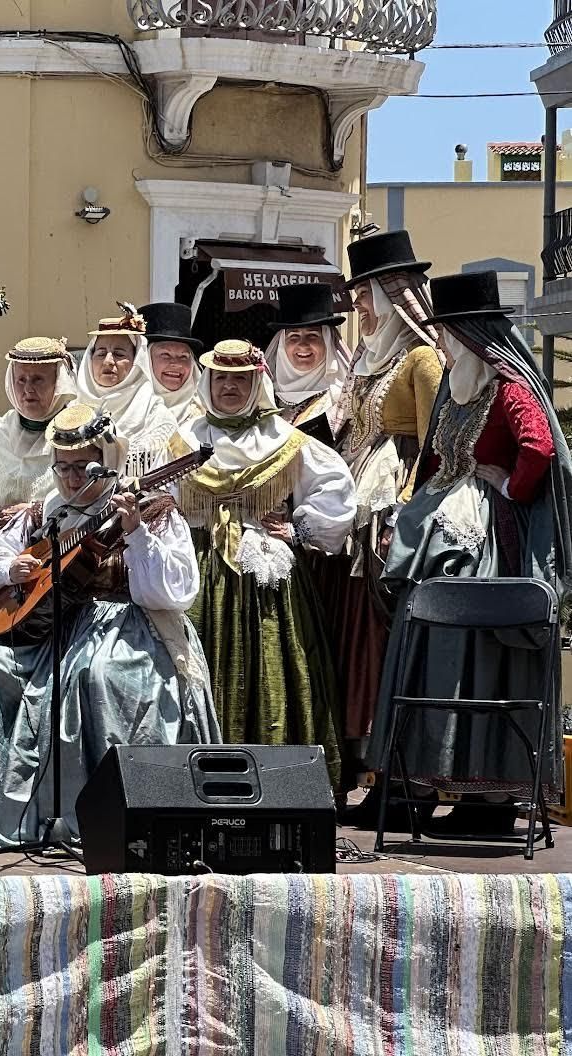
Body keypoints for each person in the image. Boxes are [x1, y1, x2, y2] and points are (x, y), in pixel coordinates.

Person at [0, 403, 218, 850]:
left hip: (128, 625)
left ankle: (105, 817)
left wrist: (134, 534)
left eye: (83, 468)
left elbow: (174, 591)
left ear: (108, 464)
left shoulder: (153, 511)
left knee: (97, 674)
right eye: (63, 468)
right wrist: (13, 569)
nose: (72, 480)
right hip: (51, 632)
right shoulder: (46, 512)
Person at [366, 272, 572, 834]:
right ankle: (433, 781)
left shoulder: (510, 386)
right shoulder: (462, 384)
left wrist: (509, 488)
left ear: (473, 333)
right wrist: (411, 513)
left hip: (489, 543)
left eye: (451, 334)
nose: (444, 344)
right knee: (432, 655)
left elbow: (540, 447)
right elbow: (434, 459)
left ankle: (490, 799)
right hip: (439, 535)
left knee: (481, 655)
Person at [177, 340, 356, 781]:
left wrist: (299, 531)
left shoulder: (285, 440)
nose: (230, 387)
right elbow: (160, 497)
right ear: (208, 382)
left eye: (240, 378)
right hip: (200, 566)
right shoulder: (183, 438)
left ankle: (281, 776)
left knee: (273, 659)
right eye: (221, 378)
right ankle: (197, 774)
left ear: (257, 382)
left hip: (264, 569)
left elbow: (335, 491)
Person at [333, 232, 442, 795]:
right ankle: (368, 767)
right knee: (360, 637)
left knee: (384, 635)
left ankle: (401, 778)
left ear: (389, 294)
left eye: (364, 297)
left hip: (390, 512)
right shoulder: (367, 357)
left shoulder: (421, 358)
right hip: (356, 511)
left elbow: (435, 444)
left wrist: (406, 510)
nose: (359, 309)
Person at [0, 336, 73, 537]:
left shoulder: (79, 435)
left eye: (38, 379)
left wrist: (37, 512)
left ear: (59, 382)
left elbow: (93, 496)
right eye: (21, 380)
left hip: (58, 552)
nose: (28, 389)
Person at [70, 303, 181, 475]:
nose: (108, 361)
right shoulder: (71, 413)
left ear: (137, 361)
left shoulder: (157, 418)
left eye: (119, 354)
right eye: (100, 353)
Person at [263, 284, 348, 447]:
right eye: (294, 336)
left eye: (313, 336)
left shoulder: (342, 400)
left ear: (327, 342)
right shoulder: (263, 398)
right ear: (281, 345)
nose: (302, 345)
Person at [142, 302, 206, 427]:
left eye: (184, 357)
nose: (176, 364)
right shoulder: (127, 410)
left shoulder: (207, 413)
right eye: (165, 355)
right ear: (146, 360)